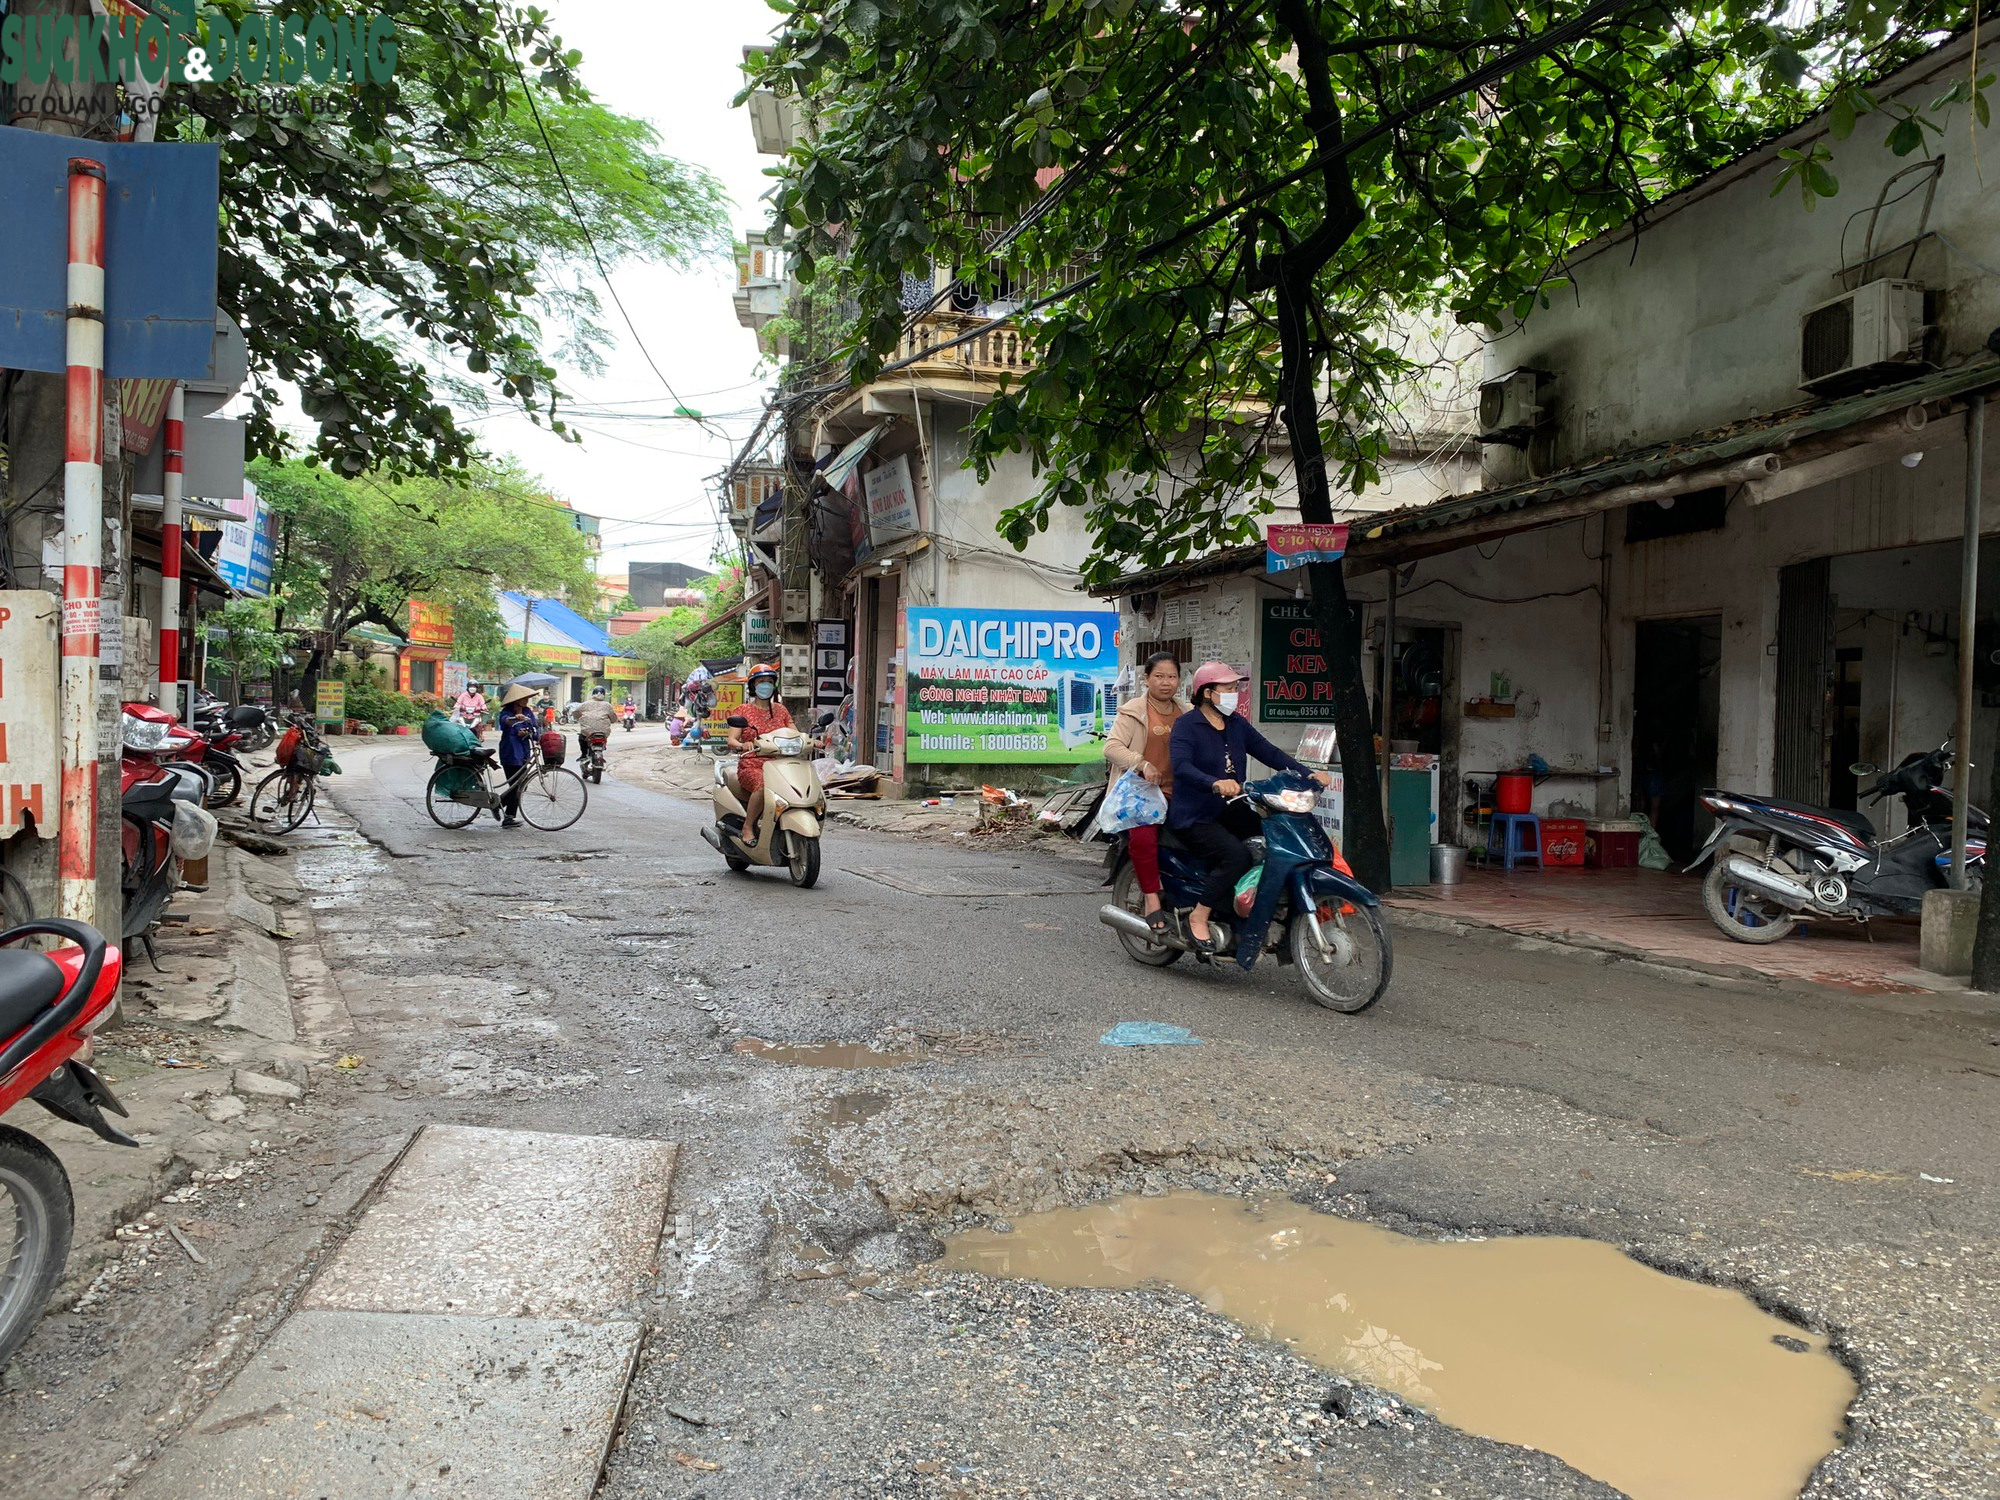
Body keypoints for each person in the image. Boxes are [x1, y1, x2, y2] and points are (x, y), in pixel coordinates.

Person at [1168, 661, 1332, 959]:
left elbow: (1269, 752)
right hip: (1195, 814)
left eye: (1235, 689)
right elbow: (1181, 767)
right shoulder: (1187, 725)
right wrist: (1214, 783)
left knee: (1274, 842)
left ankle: (1255, 906)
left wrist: (1307, 773)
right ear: (1207, 693)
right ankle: (1199, 915)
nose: (1234, 694)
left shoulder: (1236, 724)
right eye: (1228, 689)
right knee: (1237, 855)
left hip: (1232, 808)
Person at [1103, 652, 1185, 936]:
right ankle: (1151, 898)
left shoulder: (1187, 713)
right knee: (1143, 837)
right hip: (1142, 794)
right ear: (1147, 679)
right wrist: (1142, 763)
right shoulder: (1132, 711)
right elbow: (1111, 748)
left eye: (1171, 676)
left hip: (1179, 791)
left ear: (1179, 680)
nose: (1166, 683)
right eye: (1159, 676)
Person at [728, 662, 793, 847]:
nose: (766, 685)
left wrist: (813, 741)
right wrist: (743, 745)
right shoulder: (743, 710)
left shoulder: (781, 710)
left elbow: (795, 733)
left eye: (769, 681)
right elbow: (731, 740)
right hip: (752, 763)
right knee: (764, 786)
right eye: (761, 681)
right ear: (753, 685)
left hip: (781, 764)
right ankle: (748, 827)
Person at [494, 683, 539, 828]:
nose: (526, 700)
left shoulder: (528, 712)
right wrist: (515, 719)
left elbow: (536, 730)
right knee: (514, 786)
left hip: (525, 752)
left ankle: (499, 804)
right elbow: (504, 722)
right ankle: (509, 817)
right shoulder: (507, 712)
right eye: (524, 698)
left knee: (521, 786)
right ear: (516, 700)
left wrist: (529, 732)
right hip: (510, 752)